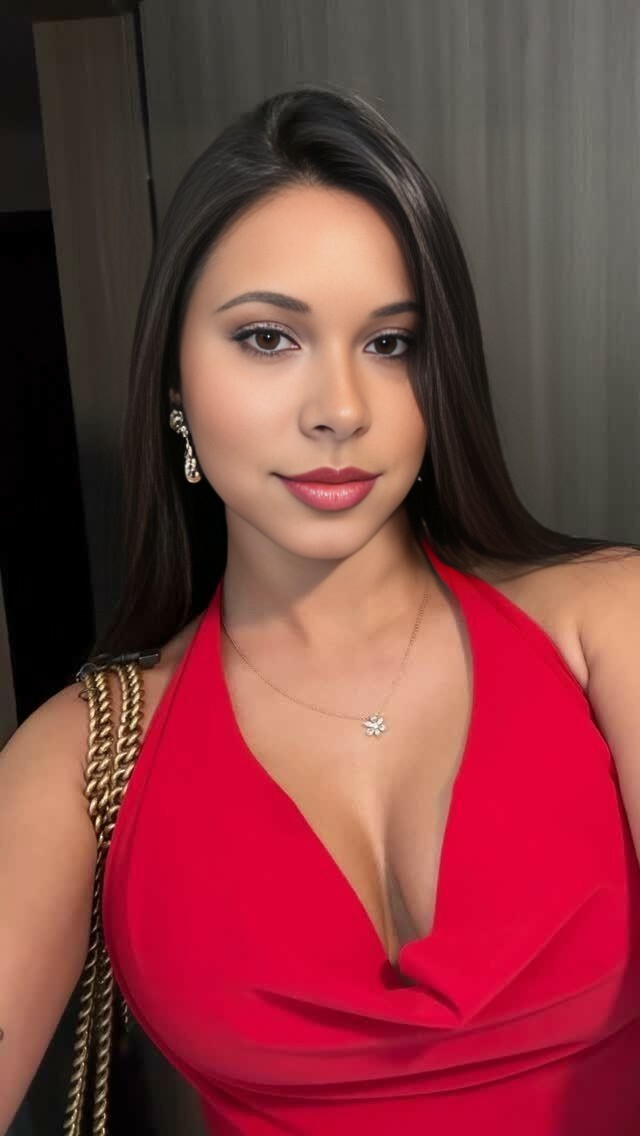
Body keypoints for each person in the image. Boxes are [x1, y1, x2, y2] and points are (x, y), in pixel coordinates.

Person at [2, 82, 639, 1136]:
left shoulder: (609, 624)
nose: (339, 408)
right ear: (174, 379)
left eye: (390, 343)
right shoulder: (81, 760)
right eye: (267, 338)